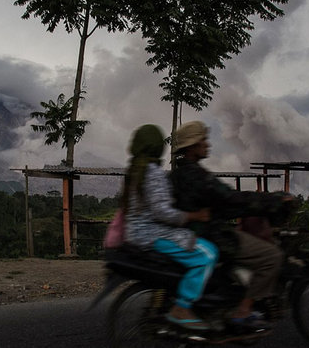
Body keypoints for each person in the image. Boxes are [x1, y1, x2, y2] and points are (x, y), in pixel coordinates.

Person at [170, 121, 290, 332]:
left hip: (194, 234)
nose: (207, 144)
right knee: (272, 256)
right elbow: (231, 198)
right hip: (212, 236)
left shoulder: (177, 175)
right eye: (203, 140)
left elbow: (221, 206)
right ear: (191, 147)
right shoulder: (198, 177)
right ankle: (243, 312)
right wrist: (273, 201)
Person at [122, 124, 219, 331]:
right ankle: (182, 308)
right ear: (157, 146)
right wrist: (193, 215)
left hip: (138, 234)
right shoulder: (153, 172)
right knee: (208, 254)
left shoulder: (135, 171)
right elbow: (162, 212)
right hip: (153, 235)